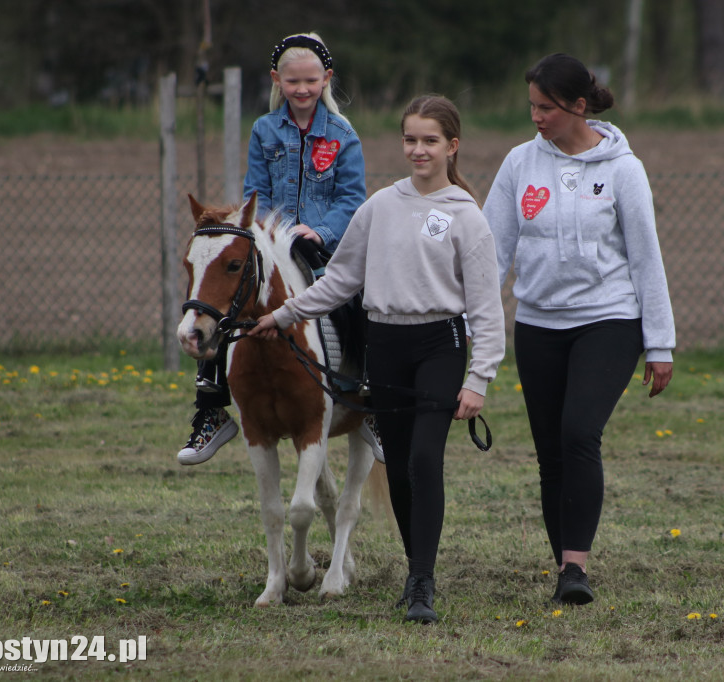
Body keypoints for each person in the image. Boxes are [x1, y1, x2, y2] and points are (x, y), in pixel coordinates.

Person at [247, 95, 505, 624]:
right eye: (410, 139)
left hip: (440, 346)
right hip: (385, 344)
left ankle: (422, 585)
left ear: (451, 146)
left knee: (423, 460)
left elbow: (485, 308)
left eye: (430, 140)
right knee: (401, 467)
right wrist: (282, 315)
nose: (418, 150)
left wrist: (479, 379)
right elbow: (341, 280)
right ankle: (416, 569)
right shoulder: (380, 206)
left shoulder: (467, 218)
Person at [482, 53, 675, 605]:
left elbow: (647, 259)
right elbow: (493, 253)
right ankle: (564, 566)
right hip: (538, 324)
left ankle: (577, 568)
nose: (537, 117)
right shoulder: (519, 164)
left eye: (547, 107)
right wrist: (473, 323)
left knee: (578, 433)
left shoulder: (623, 169)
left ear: (578, 106)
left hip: (609, 320)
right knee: (550, 452)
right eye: (532, 106)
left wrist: (659, 344)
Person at [178, 32, 367, 466]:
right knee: (228, 302)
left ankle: (366, 390)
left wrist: (318, 231)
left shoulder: (343, 135)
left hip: (323, 245)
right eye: (292, 81)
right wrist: (263, 231)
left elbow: (352, 199)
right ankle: (211, 407)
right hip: (272, 244)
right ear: (275, 80)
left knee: (363, 297)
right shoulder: (264, 130)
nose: (302, 89)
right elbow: (255, 192)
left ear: (327, 79)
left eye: (311, 81)